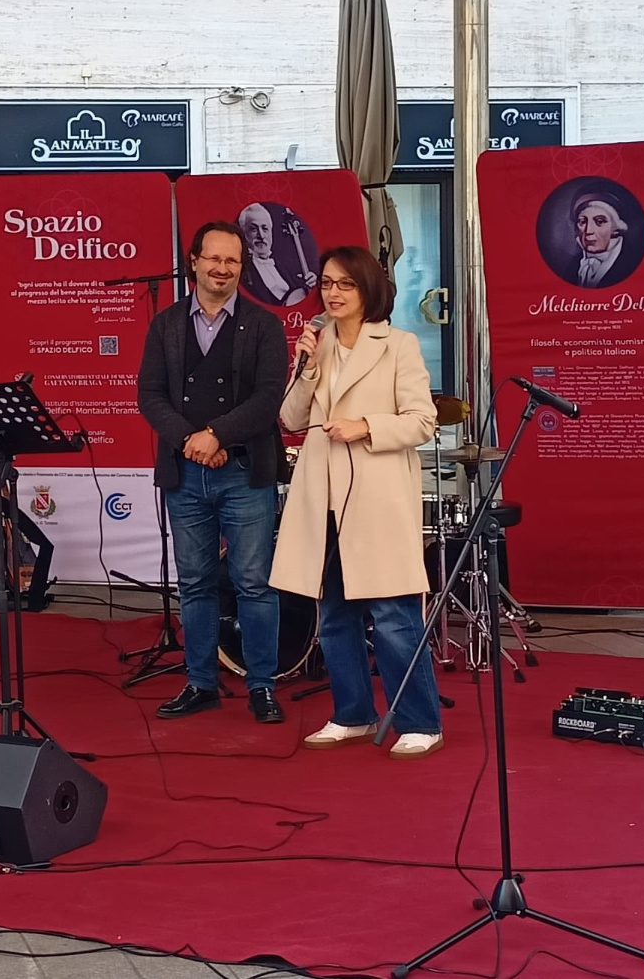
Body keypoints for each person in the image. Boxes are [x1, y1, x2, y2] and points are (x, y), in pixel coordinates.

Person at [270, 246, 444, 758]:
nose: (333, 293)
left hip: (376, 499)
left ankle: (420, 721)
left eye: (345, 284)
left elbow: (422, 421)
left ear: (368, 289)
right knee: (333, 614)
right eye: (326, 283)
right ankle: (353, 714)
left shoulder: (398, 344)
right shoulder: (317, 345)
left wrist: (366, 426)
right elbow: (291, 419)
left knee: (393, 616)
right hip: (322, 497)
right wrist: (304, 368)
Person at [137, 221, 290, 723]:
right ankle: (200, 683)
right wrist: (192, 441)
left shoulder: (264, 325)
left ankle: (262, 685)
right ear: (194, 261)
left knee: (254, 583)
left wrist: (217, 435)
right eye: (214, 258)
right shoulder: (165, 324)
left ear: (241, 268)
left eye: (232, 261)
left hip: (245, 473)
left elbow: (269, 398)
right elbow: (150, 396)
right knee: (196, 583)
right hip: (185, 475)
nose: (222, 269)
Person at [238, 202, 317, 307]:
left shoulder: (286, 267)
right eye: (253, 229)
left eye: (265, 228)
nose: (261, 235)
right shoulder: (242, 271)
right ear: (244, 234)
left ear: (271, 232)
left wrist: (313, 284)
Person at [571, 191, 640, 288]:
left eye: (599, 222)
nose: (588, 231)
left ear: (616, 227)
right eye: (582, 222)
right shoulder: (573, 265)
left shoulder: (632, 262)